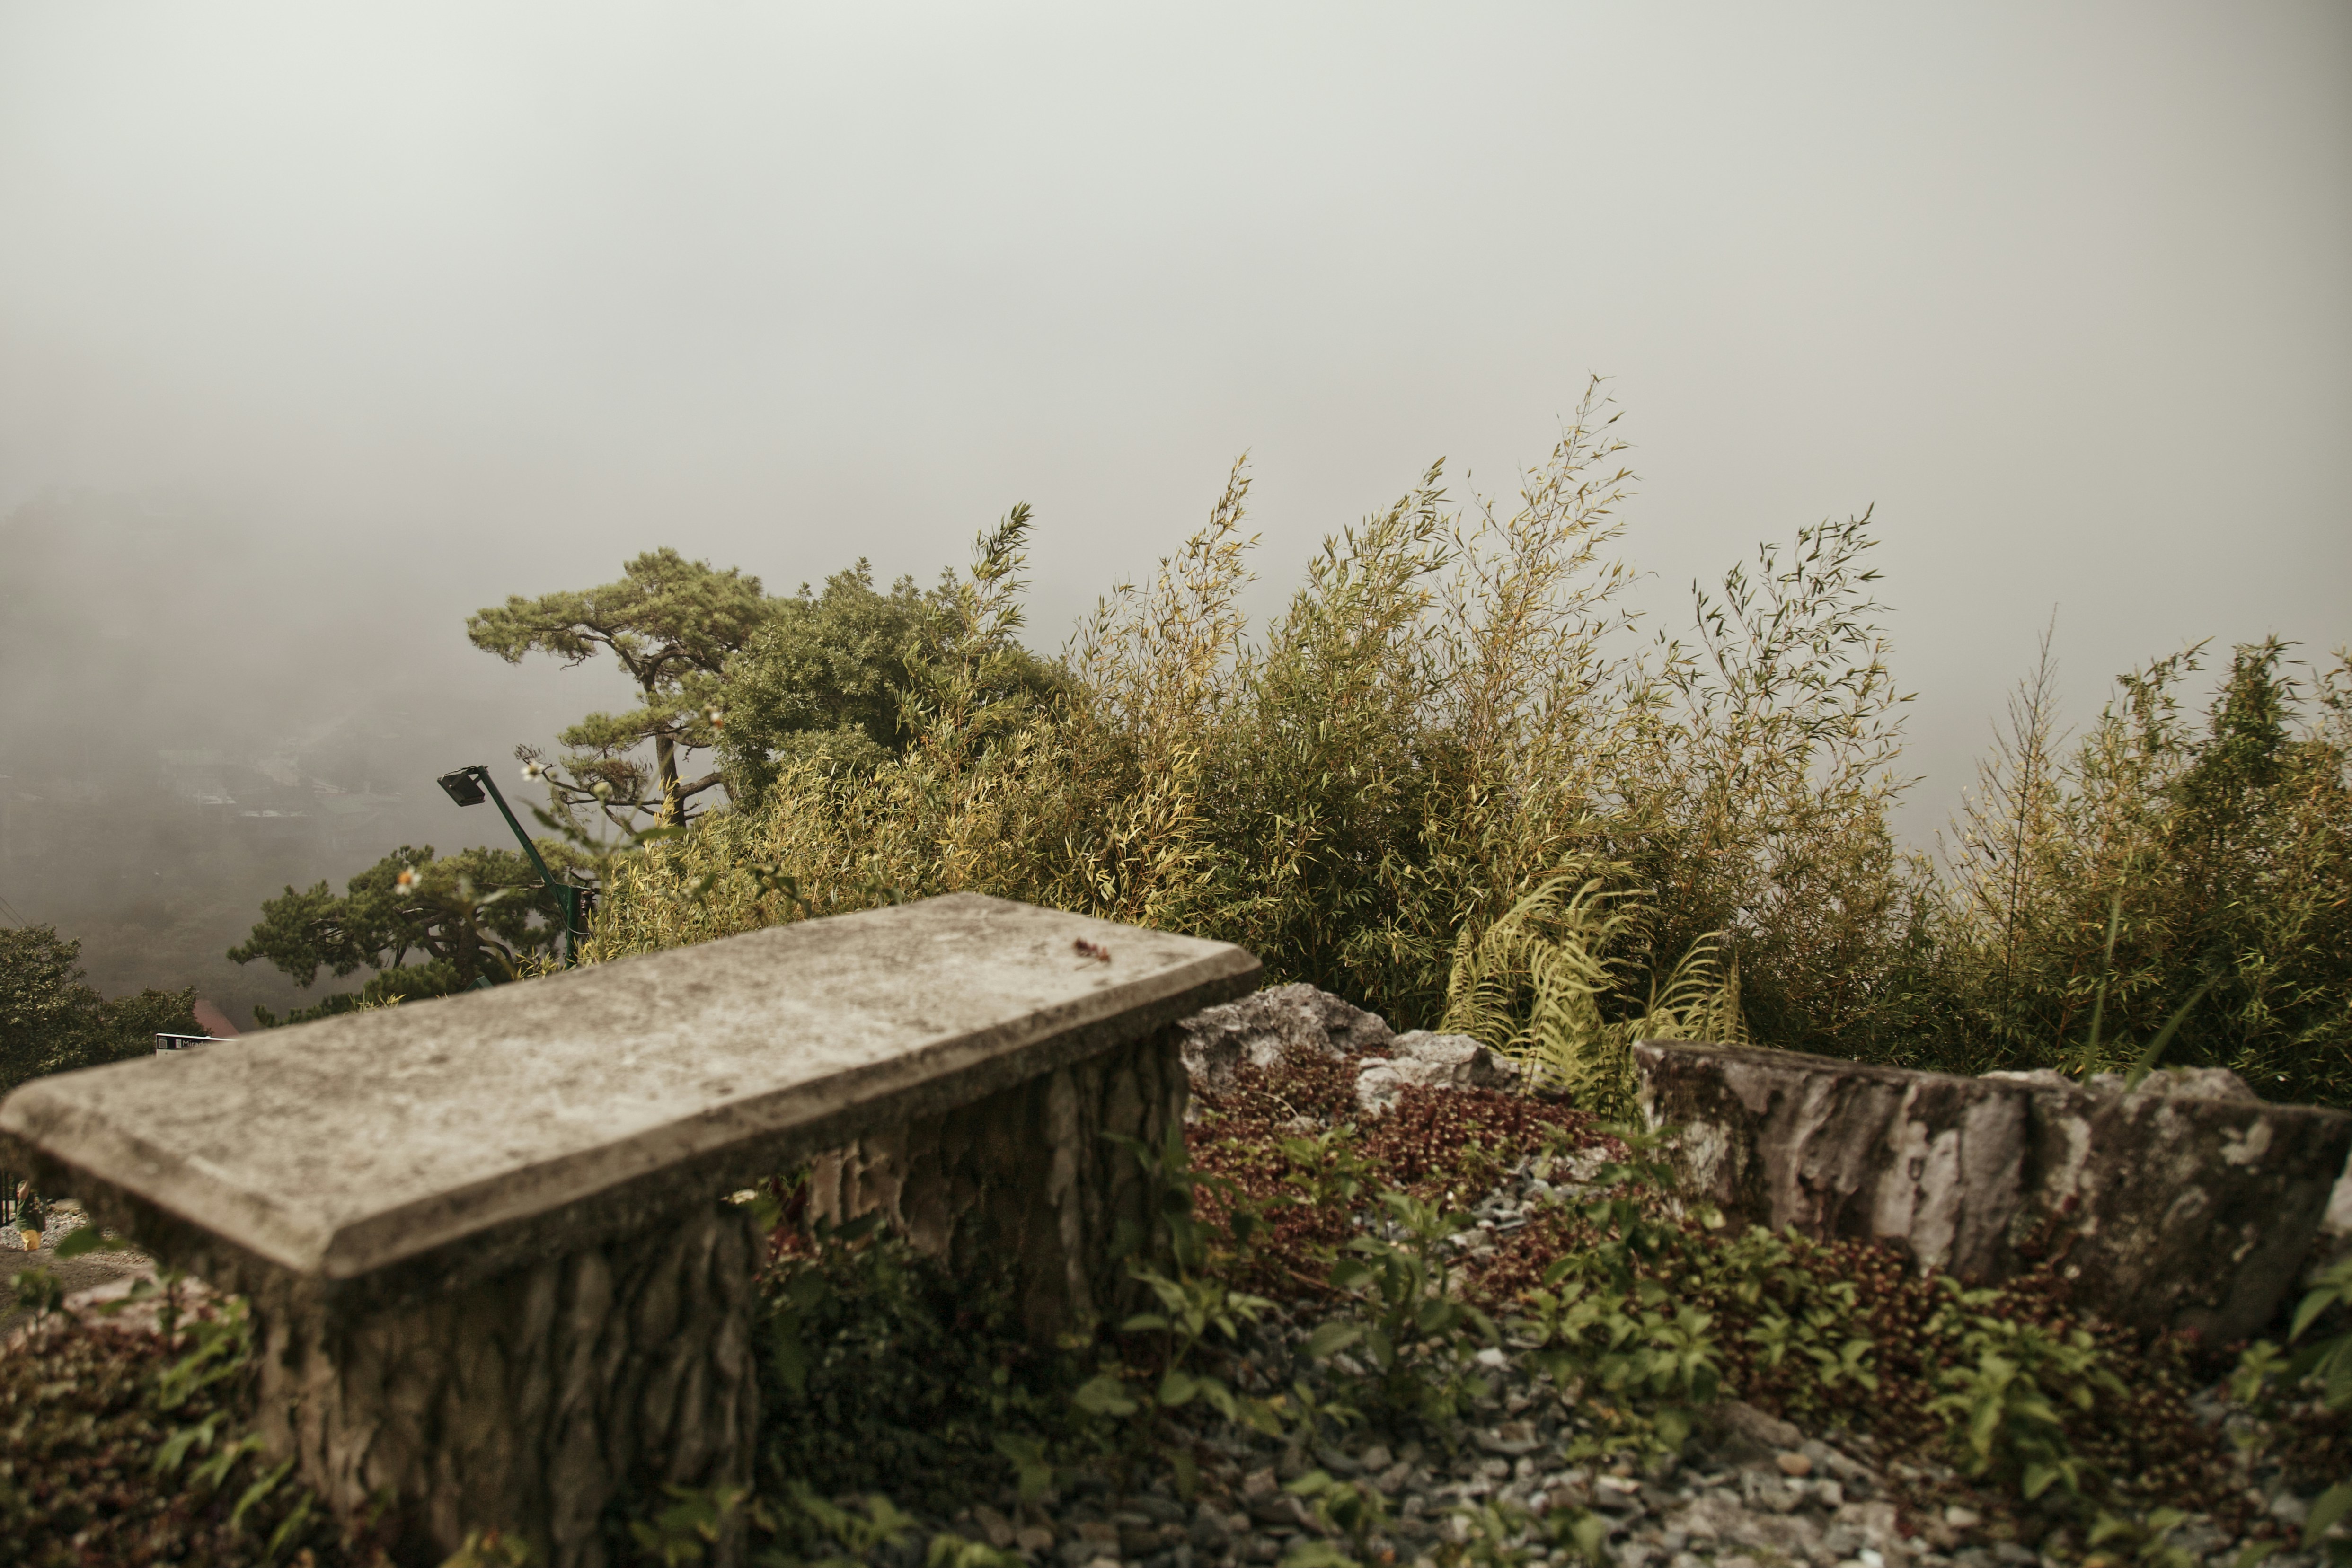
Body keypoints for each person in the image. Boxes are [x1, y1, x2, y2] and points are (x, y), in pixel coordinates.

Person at [14, 1180, 42, 1252]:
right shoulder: (23, 1183)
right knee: (32, 1243)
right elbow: (22, 1196)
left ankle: (29, 1261)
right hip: (25, 1219)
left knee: (34, 1247)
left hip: (38, 1220)